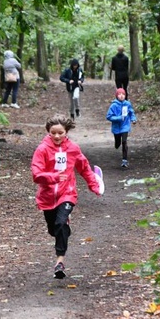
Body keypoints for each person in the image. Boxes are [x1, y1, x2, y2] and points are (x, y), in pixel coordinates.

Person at [31, 114, 103, 279]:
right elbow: (36, 174)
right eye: (53, 133)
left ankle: (60, 261)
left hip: (67, 193)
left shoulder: (73, 148)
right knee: (54, 229)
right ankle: (62, 229)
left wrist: (94, 185)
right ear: (48, 132)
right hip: (47, 196)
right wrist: (54, 177)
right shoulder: (42, 149)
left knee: (61, 222)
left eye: (60, 133)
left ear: (66, 132)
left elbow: (84, 168)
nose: (56, 136)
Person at [106, 88, 137, 168]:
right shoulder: (113, 105)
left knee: (124, 141)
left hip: (125, 126)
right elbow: (109, 116)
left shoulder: (127, 104)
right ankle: (117, 143)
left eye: (123, 94)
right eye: (119, 94)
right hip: (116, 127)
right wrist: (118, 118)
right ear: (117, 96)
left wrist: (133, 119)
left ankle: (124, 160)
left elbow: (131, 112)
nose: (121, 96)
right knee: (118, 143)